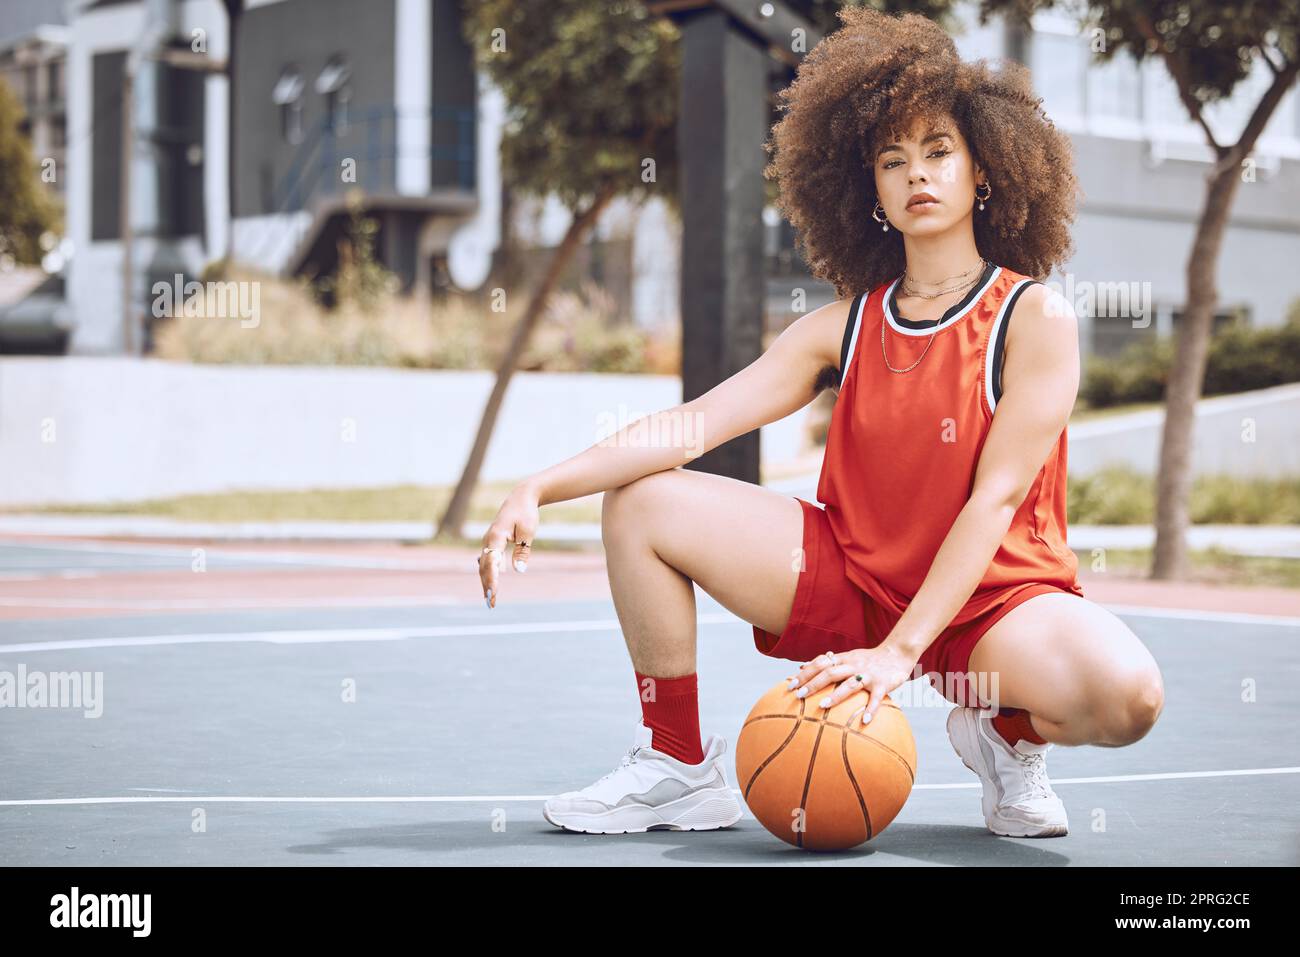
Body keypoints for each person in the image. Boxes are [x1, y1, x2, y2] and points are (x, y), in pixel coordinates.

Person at [476, 7, 1165, 839]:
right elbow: (693, 424)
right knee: (643, 500)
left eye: (939, 151)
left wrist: (899, 656)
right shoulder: (842, 324)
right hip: (854, 574)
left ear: (983, 168)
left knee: (1130, 696)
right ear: (868, 191)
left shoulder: (1036, 318)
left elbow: (994, 499)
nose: (918, 174)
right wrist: (541, 485)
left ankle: (1001, 732)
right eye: (892, 160)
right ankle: (675, 764)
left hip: (988, 605)